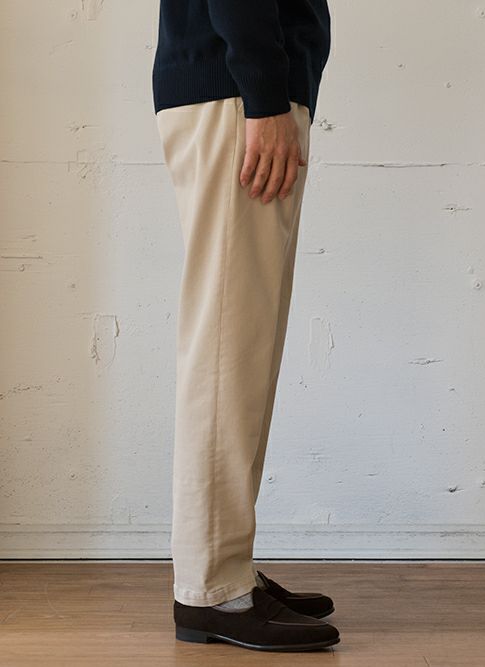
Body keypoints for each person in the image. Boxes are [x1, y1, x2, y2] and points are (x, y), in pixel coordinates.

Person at [152, 0, 340, 652]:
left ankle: (226, 567)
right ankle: (212, 588)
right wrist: (263, 94)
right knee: (228, 351)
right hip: (238, 94)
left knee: (243, 348)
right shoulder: (249, 97)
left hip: (240, 89)